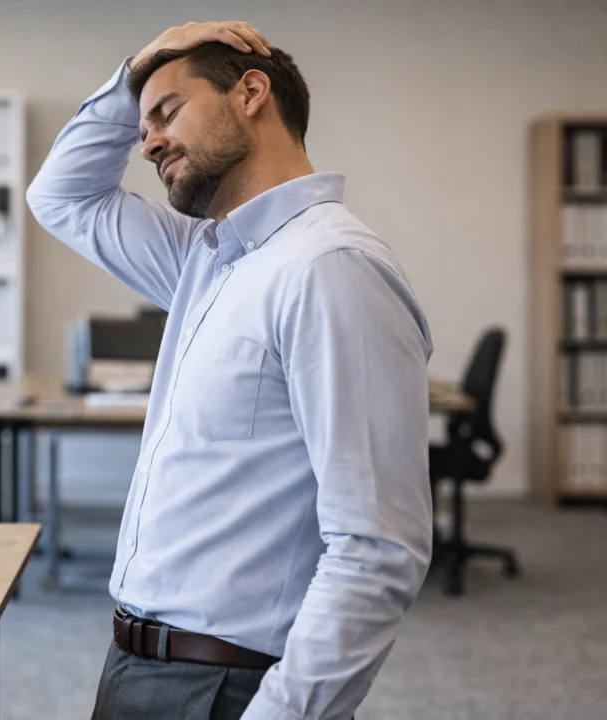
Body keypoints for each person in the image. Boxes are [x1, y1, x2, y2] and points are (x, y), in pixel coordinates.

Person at [27, 21, 434, 720]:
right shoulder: (208, 260)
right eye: (141, 120)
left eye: (167, 112)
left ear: (251, 92)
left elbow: (376, 547)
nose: (147, 140)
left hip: (226, 687)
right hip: (138, 666)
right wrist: (143, 66)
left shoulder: (328, 267)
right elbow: (61, 198)